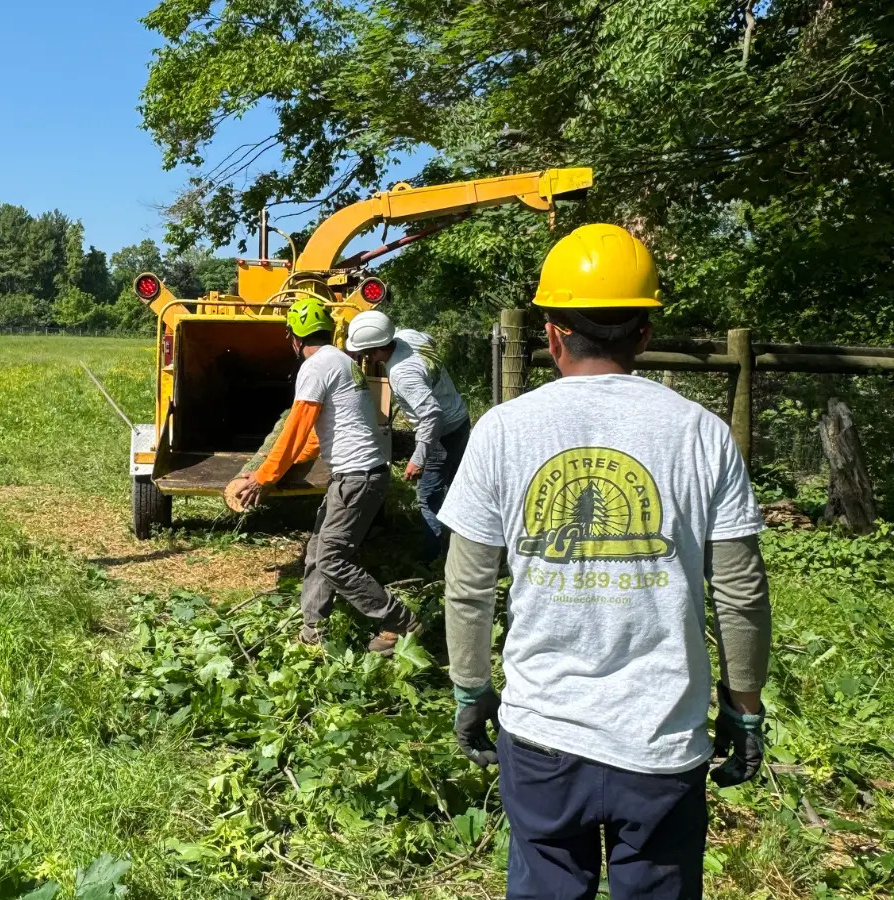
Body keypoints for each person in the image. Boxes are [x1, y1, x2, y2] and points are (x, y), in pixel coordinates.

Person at [438, 224, 771, 899]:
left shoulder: (503, 430)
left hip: (541, 739)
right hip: (662, 741)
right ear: (645, 332)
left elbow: (468, 587)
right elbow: (739, 592)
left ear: (551, 333)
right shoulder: (701, 432)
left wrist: (472, 691)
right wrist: (745, 709)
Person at [235, 296, 420, 655]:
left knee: (333, 558)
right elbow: (318, 436)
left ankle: (398, 619)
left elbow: (295, 429)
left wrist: (264, 477)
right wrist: (280, 469)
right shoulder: (340, 360)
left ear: (294, 337)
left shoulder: (316, 366)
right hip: (360, 476)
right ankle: (312, 634)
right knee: (319, 553)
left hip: (357, 477)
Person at [346, 311, 471, 561]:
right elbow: (430, 341)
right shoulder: (408, 337)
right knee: (457, 486)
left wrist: (418, 457)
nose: (366, 357)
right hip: (460, 419)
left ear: (375, 349)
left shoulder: (402, 374)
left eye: (366, 352)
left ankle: (433, 560)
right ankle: (464, 541)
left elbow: (432, 415)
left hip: (441, 433)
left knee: (427, 496)